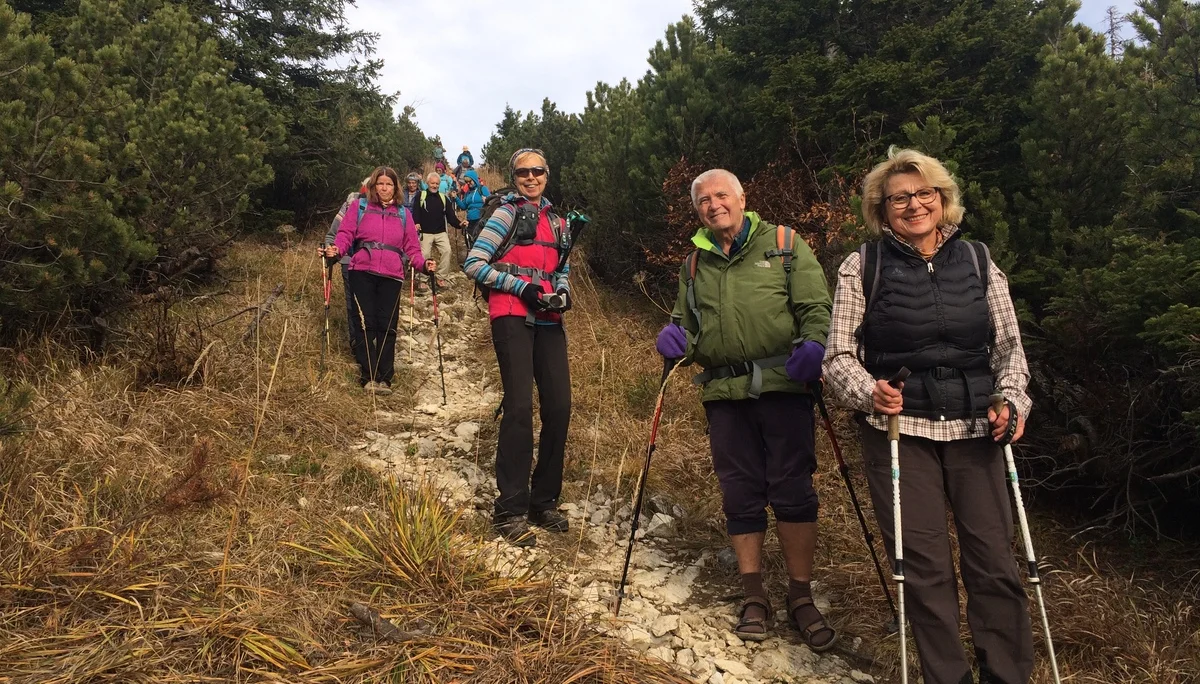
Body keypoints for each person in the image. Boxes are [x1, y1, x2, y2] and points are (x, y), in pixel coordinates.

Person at [822, 147, 1034, 684]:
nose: (913, 205)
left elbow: (1010, 347)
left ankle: (1006, 676)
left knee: (994, 565)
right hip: (898, 432)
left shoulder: (981, 261)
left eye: (924, 194)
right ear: (881, 208)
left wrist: (1013, 401)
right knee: (923, 570)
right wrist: (869, 392)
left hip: (975, 430)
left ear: (942, 199)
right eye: (899, 198)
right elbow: (837, 357)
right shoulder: (862, 266)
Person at [655, 169, 836, 650]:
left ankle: (801, 597)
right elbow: (685, 325)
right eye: (702, 201)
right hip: (723, 395)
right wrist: (675, 341)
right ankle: (754, 595)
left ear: (741, 197)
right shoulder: (694, 265)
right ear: (697, 212)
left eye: (721, 195)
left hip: (784, 385)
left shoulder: (783, 243)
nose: (713, 205)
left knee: (793, 489)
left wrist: (816, 344)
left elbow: (818, 307)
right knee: (740, 493)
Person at [463, 148, 572, 547]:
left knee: (559, 407)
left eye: (537, 171)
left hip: (549, 317)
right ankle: (509, 507)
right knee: (520, 406)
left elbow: (562, 267)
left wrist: (561, 292)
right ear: (514, 176)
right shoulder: (506, 214)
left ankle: (544, 501)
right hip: (510, 312)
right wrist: (521, 286)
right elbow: (474, 263)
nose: (531, 177)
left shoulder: (558, 220)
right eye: (523, 172)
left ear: (547, 174)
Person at [320, 166, 434, 395]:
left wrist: (423, 265)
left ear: (395, 187)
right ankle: (368, 376)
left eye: (389, 184)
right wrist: (336, 251)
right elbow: (345, 234)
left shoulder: (404, 214)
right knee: (365, 324)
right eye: (380, 183)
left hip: (392, 275)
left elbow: (412, 247)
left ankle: (385, 377)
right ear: (373, 186)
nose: (384, 188)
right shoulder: (359, 207)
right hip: (361, 270)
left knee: (387, 326)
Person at [324, 176, 370, 356]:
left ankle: (371, 342)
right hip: (348, 260)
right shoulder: (350, 203)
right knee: (353, 303)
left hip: (372, 263)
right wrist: (330, 249)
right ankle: (357, 342)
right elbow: (333, 234)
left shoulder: (385, 209)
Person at [412, 172, 463, 290]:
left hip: (440, 232)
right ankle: (423, 280)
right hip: (425, 232)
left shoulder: (443, 198)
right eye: (432, 183)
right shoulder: (421, 195)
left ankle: (441, 278)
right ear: (427, 183)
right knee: (424, 255)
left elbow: (451, 216)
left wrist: (460, 224)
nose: (434, 186)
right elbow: (416, 211)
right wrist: (416, 223)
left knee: (447, 251)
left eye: (437, 183)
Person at [455, 168, 491, 247]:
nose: (468, 183)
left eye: (470, 181)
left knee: (480, 243)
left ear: (474, 179)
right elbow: (463, 206)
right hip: (470, 221)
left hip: (481, 220)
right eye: (467, 182)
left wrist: (486, 201)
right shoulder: (468, 193)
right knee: (471, 242)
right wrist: (456, 198)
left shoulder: (482, 189)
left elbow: (491, 202)